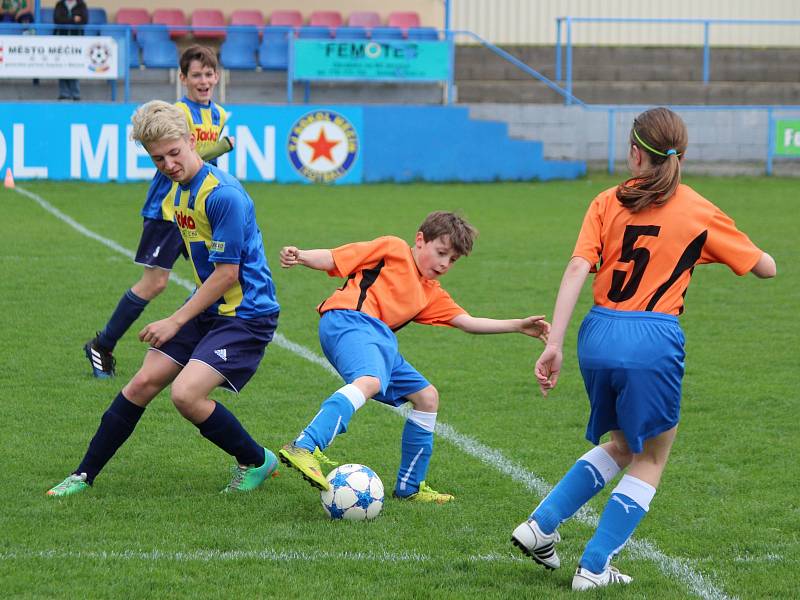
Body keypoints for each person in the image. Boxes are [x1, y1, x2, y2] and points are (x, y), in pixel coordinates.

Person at [510, 107, 776, 590]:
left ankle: (539, 527)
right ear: (681, 156)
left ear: (635, 152)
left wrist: (554, 343)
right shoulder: (698, 209)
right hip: (652, 337)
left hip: (597, 332)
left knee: (622, 445)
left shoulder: (607, 201)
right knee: (652, 456)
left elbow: (576, 270)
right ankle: (593, 567)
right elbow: (766, 268)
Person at [47, 100, 280, 497]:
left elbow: (227, 274)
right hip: (209, 308)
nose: (169, 163)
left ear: (192, 141)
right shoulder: (174, 197)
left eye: (175, 152)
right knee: (142, 383)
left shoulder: (224, 196)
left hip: (246, 314)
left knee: (185, 394)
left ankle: (256, 460)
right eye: (158, 159)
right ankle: (82, 476)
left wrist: (175, 320)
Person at [277, 212, 551, 503]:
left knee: (427, 397)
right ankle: (305, 445)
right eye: (441, 252)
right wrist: (301, 256)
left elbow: (467, 322)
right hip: (349, 320)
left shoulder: (430, 293)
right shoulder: (393, 249)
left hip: (380, 341)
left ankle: (409, 487)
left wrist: (517, 326)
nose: (445, 264)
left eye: (453, 260)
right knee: (369, 381)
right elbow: (336, 258)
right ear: (420, 240)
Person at [84, 45, 235, 378]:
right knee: (155, 284)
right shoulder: (174, 113)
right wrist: (220, 147)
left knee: (216, 277)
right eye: (196, 75)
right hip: (168, 211)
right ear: (182, 78)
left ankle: (205, 349)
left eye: (209, 74)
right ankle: (102, 344)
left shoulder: (220, 115)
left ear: (218, 76)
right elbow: (177, 158)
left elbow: (206, 164)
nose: (204, 81)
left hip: (201, 209)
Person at [54, 0, 87, 100]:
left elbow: (84, 20)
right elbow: (57, 19)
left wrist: (67, 19)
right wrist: (73, 19)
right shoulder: (59, 4)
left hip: (76, 40)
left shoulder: (81, 4)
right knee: (62, 65)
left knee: (74, 65)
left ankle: (75, 93)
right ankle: (64, 93)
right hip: (62, 38)